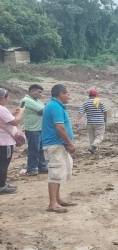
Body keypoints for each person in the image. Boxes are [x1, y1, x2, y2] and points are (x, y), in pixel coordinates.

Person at [42, 84, 77, 213]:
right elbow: (60, 128)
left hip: (57, 145)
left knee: (59, 172)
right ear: (61, 94)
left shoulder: (55, 106)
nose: (69, 97)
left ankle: (57, 199)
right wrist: (70, 143)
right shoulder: (55, 107)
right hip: (55, 145)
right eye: (68, 94)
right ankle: (53, 203)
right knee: (55, 173)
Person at [0, 88, 25, 194]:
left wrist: (11, 113)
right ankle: (1, 186)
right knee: (3, 164)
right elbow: (15, 122)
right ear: (3, 98)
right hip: (4, 141)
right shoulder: (1, 109)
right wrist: (21, 112)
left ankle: (3, 183)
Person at [20, 84, 48, 175]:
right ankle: (32, 168)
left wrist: (42, 111)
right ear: (32, 91)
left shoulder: (37, 101)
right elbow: (43, 111)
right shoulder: (27, 100)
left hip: (39, 128)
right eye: (39, 92)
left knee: (40, 149)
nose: (40, 94)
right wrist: (41, 111)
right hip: (32, 129)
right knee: (34, 149)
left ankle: (41, 167)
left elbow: (43, 110)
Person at [79, 89, 107, 154]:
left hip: (90, 123)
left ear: (89, 95)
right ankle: (93, 146)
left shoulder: (86, 103)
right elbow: (105, 111)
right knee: (99, 136)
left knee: (92, 137)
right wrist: (105, 119)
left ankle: (94, 150)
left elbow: (81, 112)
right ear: (96, 95)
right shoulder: (100, 102)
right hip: (99, 122)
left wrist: (77, 120)